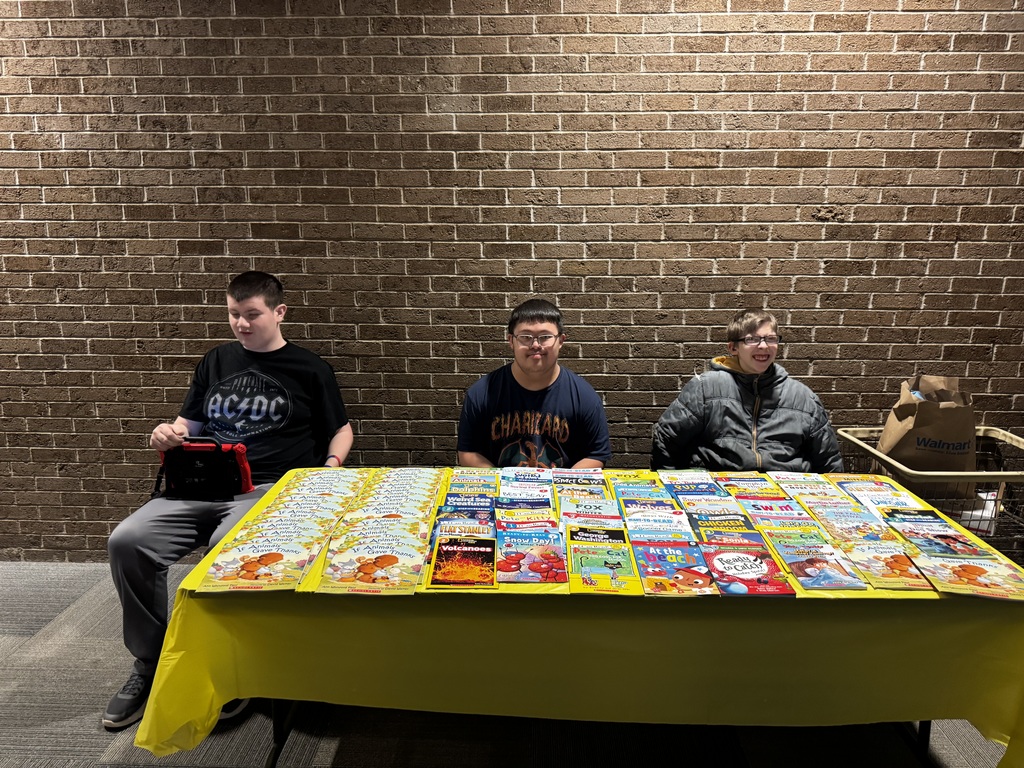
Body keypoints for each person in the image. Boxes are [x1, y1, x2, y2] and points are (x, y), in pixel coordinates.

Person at [103, 271, 354, 729]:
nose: (241, 324)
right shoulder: (215, 361)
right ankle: (152, 663)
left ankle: (233, 669)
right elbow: (188, 425)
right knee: (127, 541)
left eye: (251, 314)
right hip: (199, 483)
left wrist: (330, 468)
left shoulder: (309, 368)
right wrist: (169, 433)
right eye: (234, 314)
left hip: (267, 487)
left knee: (229, 549)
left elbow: (341, 429)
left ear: (279, 312)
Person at [651, 309, 842, 473]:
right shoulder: (705, 388)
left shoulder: (803, 396)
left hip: (786, 497)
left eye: (771, 339)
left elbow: (829, 461)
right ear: (733, 347)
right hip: (719, 494)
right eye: (752, 339)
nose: (764, 346)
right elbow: (666, 438)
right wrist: (671, 487)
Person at [457, 298, 612, 469]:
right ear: (511, 341)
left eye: (545, 337)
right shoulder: (481, 393)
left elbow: (596, 454)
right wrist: (503, 483)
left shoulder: (584, 397)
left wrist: (560, 485)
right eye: (526, 337)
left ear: (561, 341)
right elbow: (467, 452)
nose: (536, 345)